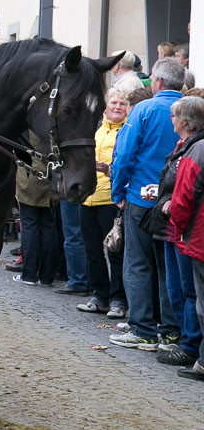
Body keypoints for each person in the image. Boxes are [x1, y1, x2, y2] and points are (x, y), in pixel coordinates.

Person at [109, 57, 185, 351]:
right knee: (169, 268)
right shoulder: (191, 110)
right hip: (176, 200)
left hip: (141, 198)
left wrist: (118, 193)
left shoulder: (144, 109)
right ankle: (170, 331)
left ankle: (142, 329)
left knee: (138, 264)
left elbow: (124, 155)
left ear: (159, 82)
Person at [77, 89, 128, 315]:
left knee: (115, 251)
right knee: (92, 251)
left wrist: (109, 171)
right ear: (106, 107)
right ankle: (99, 295)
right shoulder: (97, 131)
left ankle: (118, 299)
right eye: (114, 103)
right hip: (88, 197)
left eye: (122, 104)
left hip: (111, 199)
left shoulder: (127, 131)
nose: (118, 107)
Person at [168, 99, 204, 381]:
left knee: (198, 298)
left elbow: (183, 198)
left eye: (174, 116)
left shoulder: (196, 151)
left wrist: (174, 222)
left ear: (185, 121)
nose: (171, 119)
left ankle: (199, 356)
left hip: (197, 235)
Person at [14, 143, 61, 286]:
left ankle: (29, 274)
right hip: (49, 177)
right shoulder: (54, 125)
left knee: (30, 226)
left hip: (30, 177)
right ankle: (47, 276)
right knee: (48, 227)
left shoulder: (30, 125)